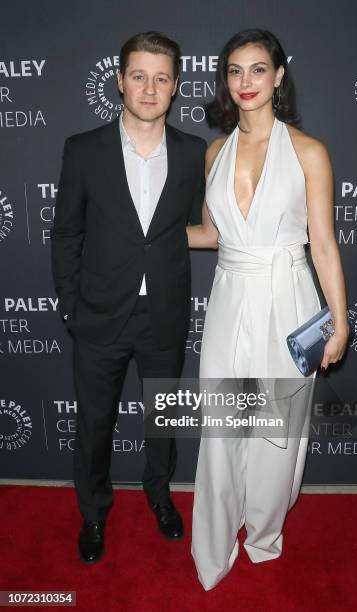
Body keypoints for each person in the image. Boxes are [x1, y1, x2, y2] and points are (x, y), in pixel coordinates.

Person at [186, 29, 349, 590]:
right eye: (234, 71)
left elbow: (322, 243)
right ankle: (213, 540)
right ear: (225, 81)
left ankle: (262, 534)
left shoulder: (308, 151)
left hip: (289, 301)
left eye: (258, 69)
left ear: (279, 76)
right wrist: (147, 237)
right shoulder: (214, 151)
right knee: (223, 427)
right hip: (231, 297)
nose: (245, 82)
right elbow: (212, 234)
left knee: (277, 433)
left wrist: (341, 319)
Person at [51, 31, 206, 564]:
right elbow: (66, 233)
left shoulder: (192, 153)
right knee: (95, 425)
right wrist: (71, 303)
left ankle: (160, 496)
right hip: (98, 314)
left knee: (164, 419)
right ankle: (93, 513)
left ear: (176, 87)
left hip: (164, 312)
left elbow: (202, 226)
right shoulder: (83, 149)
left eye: (162, 78)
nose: (149, 87)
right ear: (120, 81)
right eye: (138, 75)